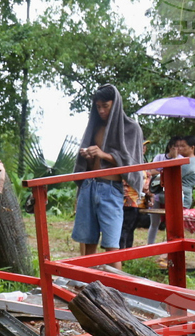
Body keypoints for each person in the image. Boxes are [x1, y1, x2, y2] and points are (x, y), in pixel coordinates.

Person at [72, 84, 144, 267]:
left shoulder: (131, 128)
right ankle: (86, 289)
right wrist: (88, 155)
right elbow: (90, 163)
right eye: (98, 107)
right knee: (88, 244)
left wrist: (103, 154)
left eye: (106, 106)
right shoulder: (94, 127)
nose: (102, 111)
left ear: (116, 104)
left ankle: (115, 292)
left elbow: (133, 163)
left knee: (112, 247)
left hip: (111, 189)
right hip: (88, 186)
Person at [145, 137, 180, 246]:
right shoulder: (159, 157)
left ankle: (168, 246)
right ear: (170, 147)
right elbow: (152, 171)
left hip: (171, 195)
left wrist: (162, 169)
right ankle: (150, 246)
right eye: (176, 146)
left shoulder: (180, 158)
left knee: (171, 223)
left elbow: (177, 173)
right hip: (156, 193)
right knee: (154, 222)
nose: (178, 149)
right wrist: (167, 169)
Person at [178, 135, 195, 209]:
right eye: (179, 146)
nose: (180, 148)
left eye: (183, 146)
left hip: (183, 199)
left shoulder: (190, 162)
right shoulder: (189, 161)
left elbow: (173, 176)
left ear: (192, 148)